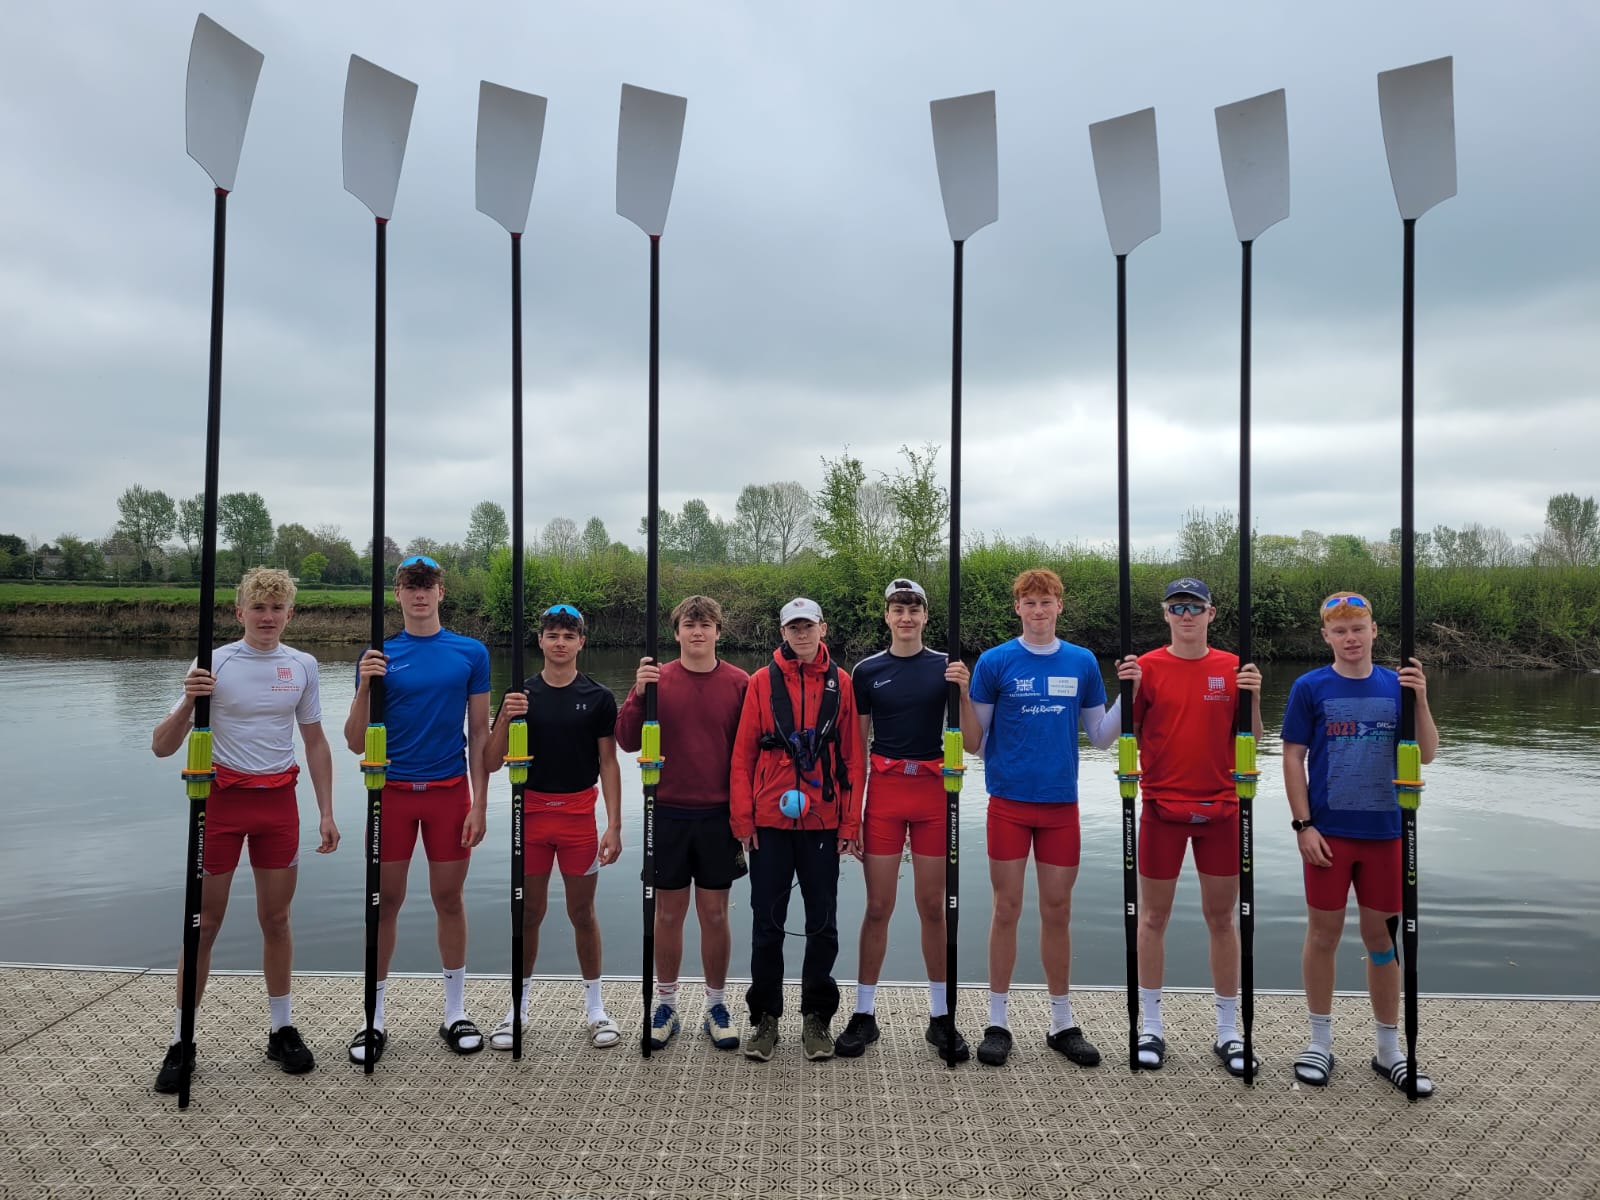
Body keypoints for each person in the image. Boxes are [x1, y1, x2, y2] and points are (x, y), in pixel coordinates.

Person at [149, 567, 339, 1092]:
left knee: (276, 919)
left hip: (278, 805)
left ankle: (281, 1029)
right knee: (204, 924)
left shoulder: (302, 665)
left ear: (290, 614)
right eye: (258, 608)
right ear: (239, 613)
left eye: (277, 609)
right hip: (222, 806)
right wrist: (190, 701)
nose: (268, 617)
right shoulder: (214, 664)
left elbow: (317, 743)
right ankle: (182, 1040)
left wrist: (325, 811)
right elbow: (163, 746)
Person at [965, 567, 1125, 1069]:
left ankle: (1061, 1021)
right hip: (1008, 804)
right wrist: (960, 694)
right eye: (1029, 602)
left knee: (1058, 909)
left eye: (1047, 602)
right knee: (1006, 908)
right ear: (1018, 608)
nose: (1038, 610)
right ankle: (997, 1021)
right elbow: (974, 743)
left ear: (1060, 607)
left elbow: (1100, 736)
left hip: (1061, 806)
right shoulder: (995, 662)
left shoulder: (1081, 662)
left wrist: (1130, 692)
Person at [1281, 591, 1438, 1096]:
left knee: (1380, 940)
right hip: (1328, 835)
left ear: (1374, 631)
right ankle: (1319, 1041)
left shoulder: (1398, 686)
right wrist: (1303, 826)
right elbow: (1292, 757)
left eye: (1358, 628)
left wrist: (1422, 700)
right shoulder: (1311, 687)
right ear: (1326, 636)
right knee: (1322, 935)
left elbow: (1427, 755)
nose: (1350, 638)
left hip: (1385, 834)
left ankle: (1388, 1049)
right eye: (1340, 630)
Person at [343, 554, 490, 1062]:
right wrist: (365, 684)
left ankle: (454, 1012)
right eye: (411, 584)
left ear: (442, 592)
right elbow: (354, 742)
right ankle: (374, 1017)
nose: (420, 593)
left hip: (450, 793)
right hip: (392, 794)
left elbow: (480, 734)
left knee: (449, 899)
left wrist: (481, 805)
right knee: (384, 902)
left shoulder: (471, 653)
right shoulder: (378, 654)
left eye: (428, 584)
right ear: (398, 594)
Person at [1112, 577, 1263, 1075]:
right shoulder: (1148, 667)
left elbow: (1254, 739)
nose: (1186, 615)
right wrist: (1125, 686)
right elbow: (1115, 734)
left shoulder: (1232, 668)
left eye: (1195, 607)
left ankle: (1228, 1030)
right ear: (1166, 614)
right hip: (1160, 808)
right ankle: (1151, 1025)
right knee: (1153, 919)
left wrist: (1254, 697)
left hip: (1221, 809)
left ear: (1211, 614)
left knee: (1222, 920)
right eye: (1177, 607)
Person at [836, 577, 972, 1062]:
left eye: (914, 609)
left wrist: (966, 689)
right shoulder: (868, 671)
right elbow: (855, 751)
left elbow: (972, 742)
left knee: (932, 906)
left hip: (934, 792)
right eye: (898, 609)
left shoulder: (946, 667)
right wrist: (849, 821)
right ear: (887, 616)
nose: (906, 617)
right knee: (878, 906)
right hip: (887, 793)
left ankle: (940, 1017)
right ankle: (864, 1013)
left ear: (926, 617)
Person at [485, 602, 624, 1050]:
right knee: (529, 913)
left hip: (580, 818)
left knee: (582, 913)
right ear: (540, 641)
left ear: (581, 642)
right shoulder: (519, 694)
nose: (560, 643)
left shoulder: (600, 697)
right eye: (552, 635)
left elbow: (608, 762)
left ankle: (596, 1010)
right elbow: (489, 762)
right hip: (532, 817)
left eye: (569, 635)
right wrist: (505, 716)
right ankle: (517, 1009)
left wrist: (615, 824)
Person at [614, 595, 749, 1051]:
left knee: (714, 913)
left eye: (706, 624)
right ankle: (666, 1004)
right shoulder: (657, 679)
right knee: (668, 913)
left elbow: (748, 754)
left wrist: (745, 816)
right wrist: (636, 692)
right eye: (689, 625)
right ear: (676, 633)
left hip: (718, 816)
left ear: (717, 632)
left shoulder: (739, 682)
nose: (698, 632)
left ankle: (715, 1004)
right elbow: (627, 741)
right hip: (666, 812)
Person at [731, 597, 862, 1062]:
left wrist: (851, 822)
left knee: (822, 923)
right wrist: (742, 820)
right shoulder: (760, 683)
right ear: (782, 632)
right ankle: (765, 1018)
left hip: (824, 822)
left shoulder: (841, 683)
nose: (802, 634)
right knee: (767, 924)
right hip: (768, 822)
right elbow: (743, 755)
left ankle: (816, 1019)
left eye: (809, 626)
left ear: (823, 629)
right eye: (794, 627)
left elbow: (852, 758)